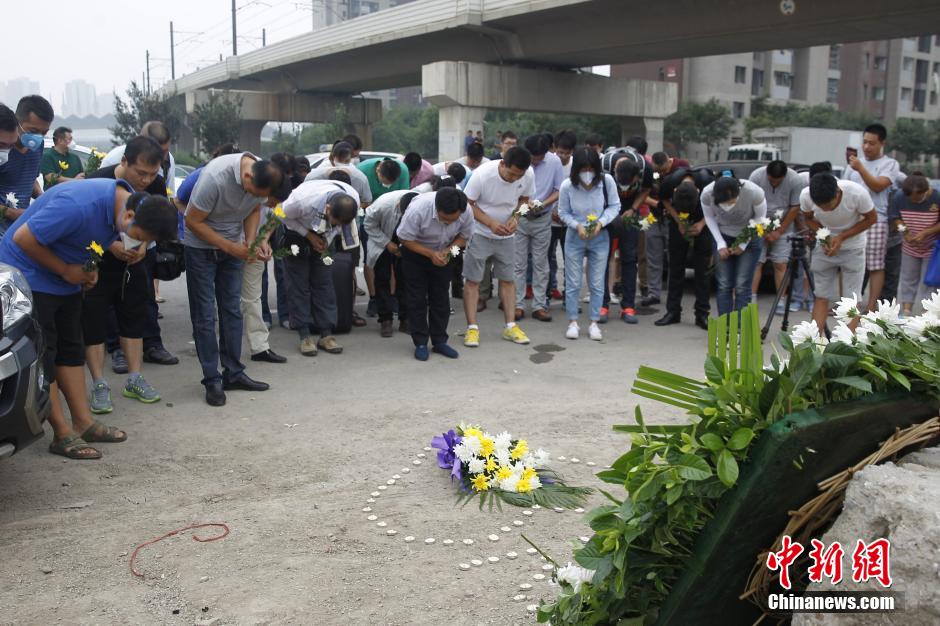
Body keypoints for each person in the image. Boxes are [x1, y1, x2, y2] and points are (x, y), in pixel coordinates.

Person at [0, 177, 177, 459]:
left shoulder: (128, 203)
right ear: (129, 216)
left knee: (71, 351)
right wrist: (65, 270)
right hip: (30, 276)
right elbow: (23, 239)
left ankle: (84, 423)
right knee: (46, 354)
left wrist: (88, 269)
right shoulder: (78, 205)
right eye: (140, 236)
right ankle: (61, 433)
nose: (137, 243)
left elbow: (95, 239)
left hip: (65, 279)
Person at [184, 152, 289, 407]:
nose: (255, 196)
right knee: (205, 314)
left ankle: (233, 372)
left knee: (232, 309)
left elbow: (253, 209)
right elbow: (192, 220)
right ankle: (212, 379)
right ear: (246, 175)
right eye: (252, 190)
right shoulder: (215, 178)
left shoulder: (262, 180)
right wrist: (230, 248)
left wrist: (252, 242)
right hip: (200, 248)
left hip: (232, 246)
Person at [82, 136, 175, 413]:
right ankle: (99, 384)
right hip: (99, 259)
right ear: (124, 162)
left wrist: (143, 246)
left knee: (135, 317)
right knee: (94, 322)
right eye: (140, 173)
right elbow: (85, 222)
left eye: (152, 174)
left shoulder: (156, 185)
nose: (146, 180)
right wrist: (111, 245)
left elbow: (154, 223)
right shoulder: (98, 181)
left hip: (136, 261)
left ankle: (135, 378)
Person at [462, 146, 534, 347]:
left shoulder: (527, 175)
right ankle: (472, 328)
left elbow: (525, 200)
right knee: (473, 280)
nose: (514, 179)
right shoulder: (482, 175)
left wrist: (516, 217)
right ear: (502, 163)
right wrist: (490, 223)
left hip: (508, 236)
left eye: (518, 176)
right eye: (511, 174)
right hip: (479, 233)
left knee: (508, 279)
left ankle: (510, 326)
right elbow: (468, 203)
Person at [280, 179, 360, 356]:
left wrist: (328, 239)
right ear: (328, 209)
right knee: (298, 286)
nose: (338, 224)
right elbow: (278, 212)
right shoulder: (301, 200)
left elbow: (340, 226)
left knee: (324, 284)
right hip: (297, 234)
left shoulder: (352, 198)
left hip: (325, 240)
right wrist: (308, 235)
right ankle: (304, 335)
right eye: (335, 220)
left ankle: (326, 334)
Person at [397, 188, 474, 360]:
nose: (448, 224)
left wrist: (448, 251)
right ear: (436, 208)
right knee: (416, 299)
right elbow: (404, 238)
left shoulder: (466, 210)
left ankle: (440, 341)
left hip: (447, 252)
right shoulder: (419, 210)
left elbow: (464, 237)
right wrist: (431, 254)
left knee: (441, 298)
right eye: (444, 220)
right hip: (415, 251)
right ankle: (421, 342)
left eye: (452, 221)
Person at [558, 148, 621, 341]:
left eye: (591, 168)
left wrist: (601, 223)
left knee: (596, 282)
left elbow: (614, 206)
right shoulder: (567, 185)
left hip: (600, 236)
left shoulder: (606, 182)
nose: (587, 172)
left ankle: (594, 322)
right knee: (573, 282)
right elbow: (563, 212)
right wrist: (576, 226)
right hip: (575, 237)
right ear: (576, 169)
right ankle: (573, 321)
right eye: (583, 168)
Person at [802, 174, 876, 331]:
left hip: (853, 247)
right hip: (824, 249)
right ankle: (813, 344)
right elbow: (808, 219)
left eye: (828, 206)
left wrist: (841, 237)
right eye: (819, 206)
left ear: (837, 193)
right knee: (821, 296)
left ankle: (847, 345)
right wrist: (824, 236)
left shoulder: (857, 193)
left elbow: (871, 219)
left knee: (851, 299)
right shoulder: (806, 195)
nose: (824, 210)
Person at [842, 123, 901, 314]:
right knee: (849, 262)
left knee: (875, 266)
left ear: (882, 143)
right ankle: (849, 305)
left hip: (877, 220)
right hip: (853, 220)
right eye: (865, 142)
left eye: (872, 143)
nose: (867, 147)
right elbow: (844, 191)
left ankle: (871, 306)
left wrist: (860, 168)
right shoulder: (852, 166)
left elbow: (878, 186)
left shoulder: (890, 164)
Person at [655, 167, 716, 329]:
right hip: (678, 222)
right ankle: (673, 312)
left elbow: (717, 206)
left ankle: (702, 314)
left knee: (702, 271)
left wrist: (702, 223)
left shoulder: (708, 183)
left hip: (703, 220)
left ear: (698, 191)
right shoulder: (669, 182)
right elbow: (664, 200)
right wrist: (678, 220)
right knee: (675, 268)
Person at [512, 134, 563, 323]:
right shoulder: (518, 160)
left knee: (541, 263)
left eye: (538, 157)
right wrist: (523, 206)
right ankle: (517, 305)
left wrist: (542, 204)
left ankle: (539, 305)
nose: (534, 161)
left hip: (542, 218)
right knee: (518, 264)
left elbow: (558, 190)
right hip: (521, 216)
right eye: (532, 157)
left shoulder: (555, 162)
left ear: (546, 151)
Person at [702, 176, 768, 316]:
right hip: (723, 234)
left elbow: (760, 219)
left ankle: (739, 328)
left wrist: (743, 243)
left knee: (742, 285)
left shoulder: (754, 192)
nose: (728, 207)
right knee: (724, 283)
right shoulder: (707, 194)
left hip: (749, 236)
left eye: (731, 202)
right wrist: (720, 243)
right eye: (724, 204)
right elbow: (709, 217)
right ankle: (725, 326)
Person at [601, 149, 653, 324]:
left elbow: (646, 190)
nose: (624, 190)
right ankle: (602, 305)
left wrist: (633, 208)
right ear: (614, 173)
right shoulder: (604, 166)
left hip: (631, 211)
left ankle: (628, 306)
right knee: (603, 257)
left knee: (630, 258)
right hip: (606, 211)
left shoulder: (646, 168)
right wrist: (609, 215)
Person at [748, 160, 805, 313]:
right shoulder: (756, 177)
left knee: (780, 264)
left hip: (784, 225)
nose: (774, 184)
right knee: (756, 263)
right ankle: (751, 298)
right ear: (766, 174)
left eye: (778, 182)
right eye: (771, 181)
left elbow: (795, 207)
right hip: (759, 223)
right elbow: (750, 205)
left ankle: (781, 299)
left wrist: (779, 231)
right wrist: (762, 229)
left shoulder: (795, 180)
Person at [365, 189, 418, 337]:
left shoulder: (421, 205)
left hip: (407, 242)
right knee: (382, 278)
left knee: (406, 279)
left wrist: (407, 245)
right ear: (398, 206)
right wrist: (387, 243)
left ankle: (405, 319)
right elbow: (369, 226)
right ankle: (385, 319)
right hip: (382, 238)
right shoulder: (382, 206)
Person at [0, 95, 54, 234]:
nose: (37, 137)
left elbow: (31, 178)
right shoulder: (3, 150)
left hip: (21, 226)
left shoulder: (38, 146)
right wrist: (12, 213)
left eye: (44, 133)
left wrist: (43, 197)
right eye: (33, 131)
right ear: (16, 123)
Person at [887, 173, 940, 315]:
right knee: (908, 279)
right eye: (910, 198)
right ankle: (906, 311)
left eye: (916, 198)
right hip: (909, 247)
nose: (913, 201)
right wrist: (905, 232)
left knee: (928, 282)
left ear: (925, 191)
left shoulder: (937, 197)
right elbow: (895, 218)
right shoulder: (900, 197)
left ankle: (927, 314)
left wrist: (926, 233)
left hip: (932, 248)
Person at [102, 121, 177, 192]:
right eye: (141, 173)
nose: (162, 157)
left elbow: (170, 193)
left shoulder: (168, 161)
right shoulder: (112, 159)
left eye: (165, 151)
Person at [547, 129, 577, 303]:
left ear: (572, 151)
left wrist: (566, 214)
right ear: (554, 148)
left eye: (566, 153)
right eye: (560, 152)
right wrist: (551, 211)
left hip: (569, 222)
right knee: (547, 257)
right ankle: (549, 289)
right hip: (550, 219)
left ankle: (569, 295)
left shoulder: (575, 166)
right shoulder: (549, 163)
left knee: (571, 259)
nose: (563, 156)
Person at [307, 141, 373, 206]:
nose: (342, 165)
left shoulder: (358, 177)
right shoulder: (317, 175)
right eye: (340, 160)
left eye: (346, 161)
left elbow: (366, 201)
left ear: (351, 159)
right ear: (333, 157)